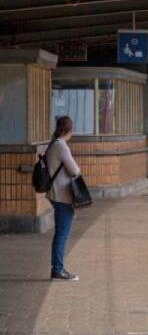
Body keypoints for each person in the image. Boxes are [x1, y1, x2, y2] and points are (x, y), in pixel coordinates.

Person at [45, 116, 80, 281]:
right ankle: (58, 269)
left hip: (56, 193)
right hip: (62, 195)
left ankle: (57, 268)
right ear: (69, 130)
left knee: (61, 232)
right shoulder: (61, 146)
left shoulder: (54, 144)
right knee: (63, 233)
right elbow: (74, 171)